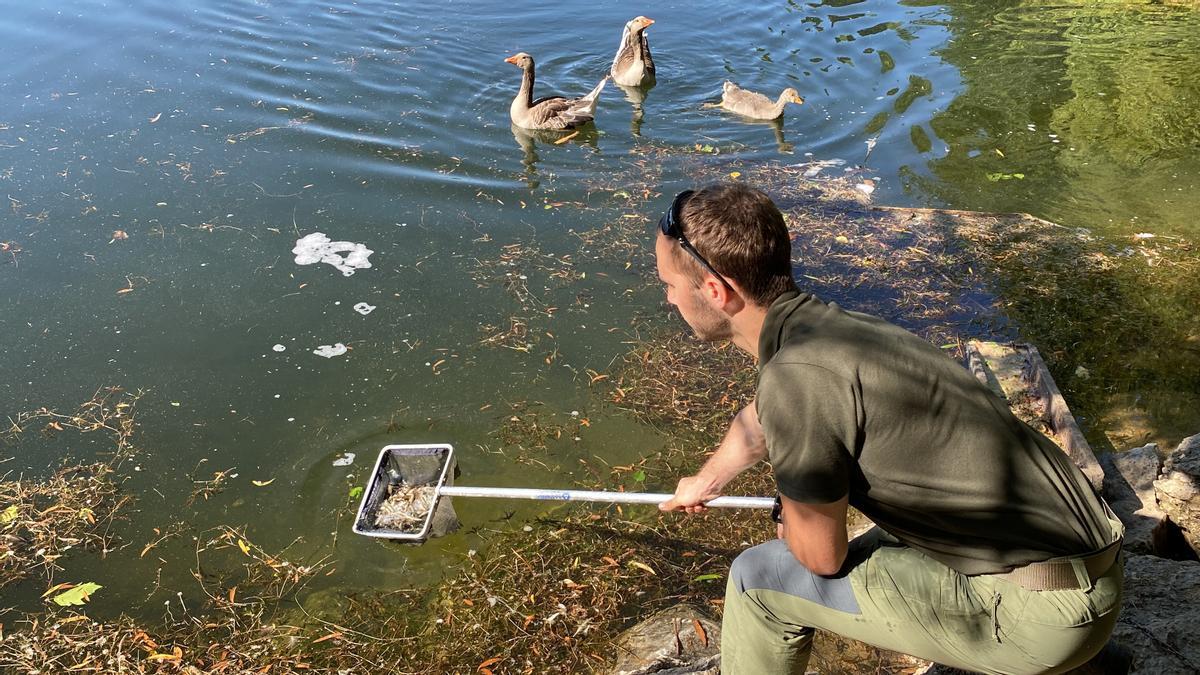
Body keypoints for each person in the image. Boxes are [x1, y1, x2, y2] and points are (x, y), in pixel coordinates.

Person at [653, 183, 1124, 675]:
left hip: (1048, 617)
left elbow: (820, 558)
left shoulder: (795, 378)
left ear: (714, 291)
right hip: (1092, 563)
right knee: (881, 537)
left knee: (757, 580)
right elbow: (760, 419)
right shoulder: (835, 329)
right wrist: (707, 480)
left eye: (669, 283)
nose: (668, 298)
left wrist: (789, 515)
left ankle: (1057, 658)